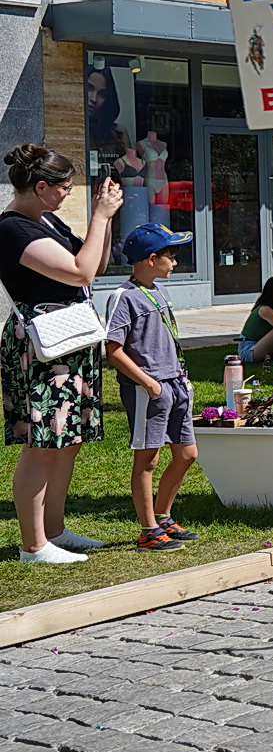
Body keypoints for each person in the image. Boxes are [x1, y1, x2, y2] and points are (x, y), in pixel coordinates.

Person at [2, 145, 121, 564]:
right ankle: (33, 546)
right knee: (42, 442)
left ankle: (54, 532)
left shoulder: (46, 220)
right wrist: (100, 217)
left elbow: (96, 265)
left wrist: (104, 224)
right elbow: (78, 272)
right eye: (65, 187)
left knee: (66, 439)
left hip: (70, 341)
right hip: (42, 346)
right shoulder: (13, 229)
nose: (69, 194)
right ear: (40, 187)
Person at [104, 222, 201, 552]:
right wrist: (148, 383)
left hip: (174, 384)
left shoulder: (160, 290)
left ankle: (163, 516)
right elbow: (112, 350)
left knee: (187, 453)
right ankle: (148, 530)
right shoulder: (124, 297)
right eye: (170, 256)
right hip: (149, 389)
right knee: (148, 460)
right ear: (151, 258)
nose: (174, 263)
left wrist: (180, 379)